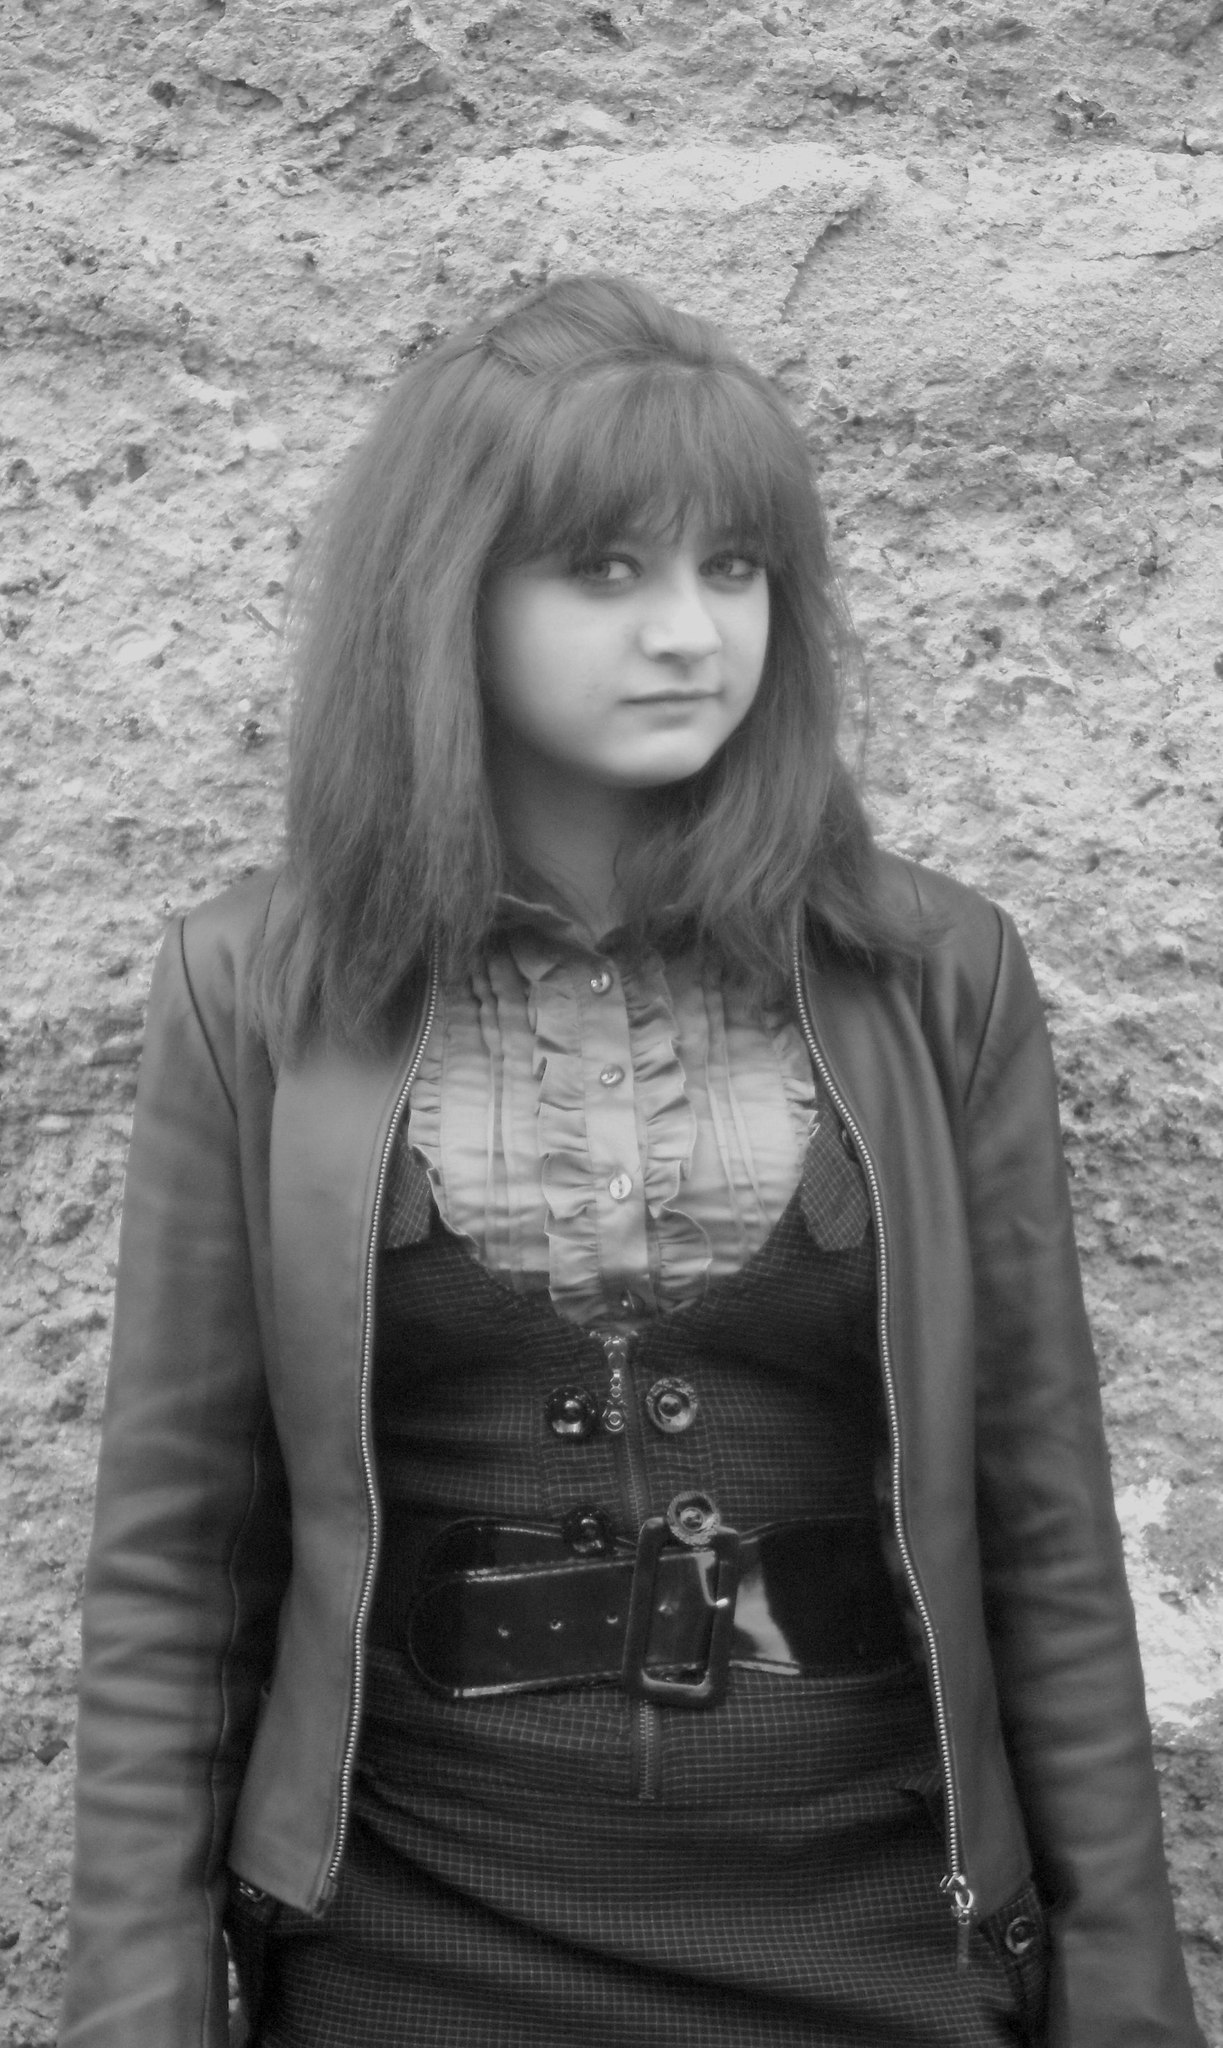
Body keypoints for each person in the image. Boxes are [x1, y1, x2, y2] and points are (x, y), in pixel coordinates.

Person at [61, 274, 1205, 2048]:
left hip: (874, 1925)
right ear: (448, 597)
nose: (690, 632)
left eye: (732, 567)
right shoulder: (256, 989)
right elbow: (175, 1570)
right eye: (605, 570)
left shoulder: (936, 975)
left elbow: (1043, 1530)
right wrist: (138, 2012)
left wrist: (1123, 1989)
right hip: (411, 1938)